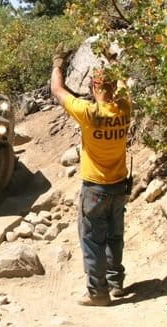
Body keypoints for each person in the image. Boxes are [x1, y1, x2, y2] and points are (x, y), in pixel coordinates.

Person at [51, 64, 131, 306]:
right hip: (119, 186)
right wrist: (113, 60)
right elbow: (126, 83)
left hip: (95, 188)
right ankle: (115, 283)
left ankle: (98, 293)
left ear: (95, 87)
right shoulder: (124, 108)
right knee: (114, 236)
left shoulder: (89, 113)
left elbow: (57, 89)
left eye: (92, 84)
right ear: (115, 87)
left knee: (93, 240)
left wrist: (57, 65)